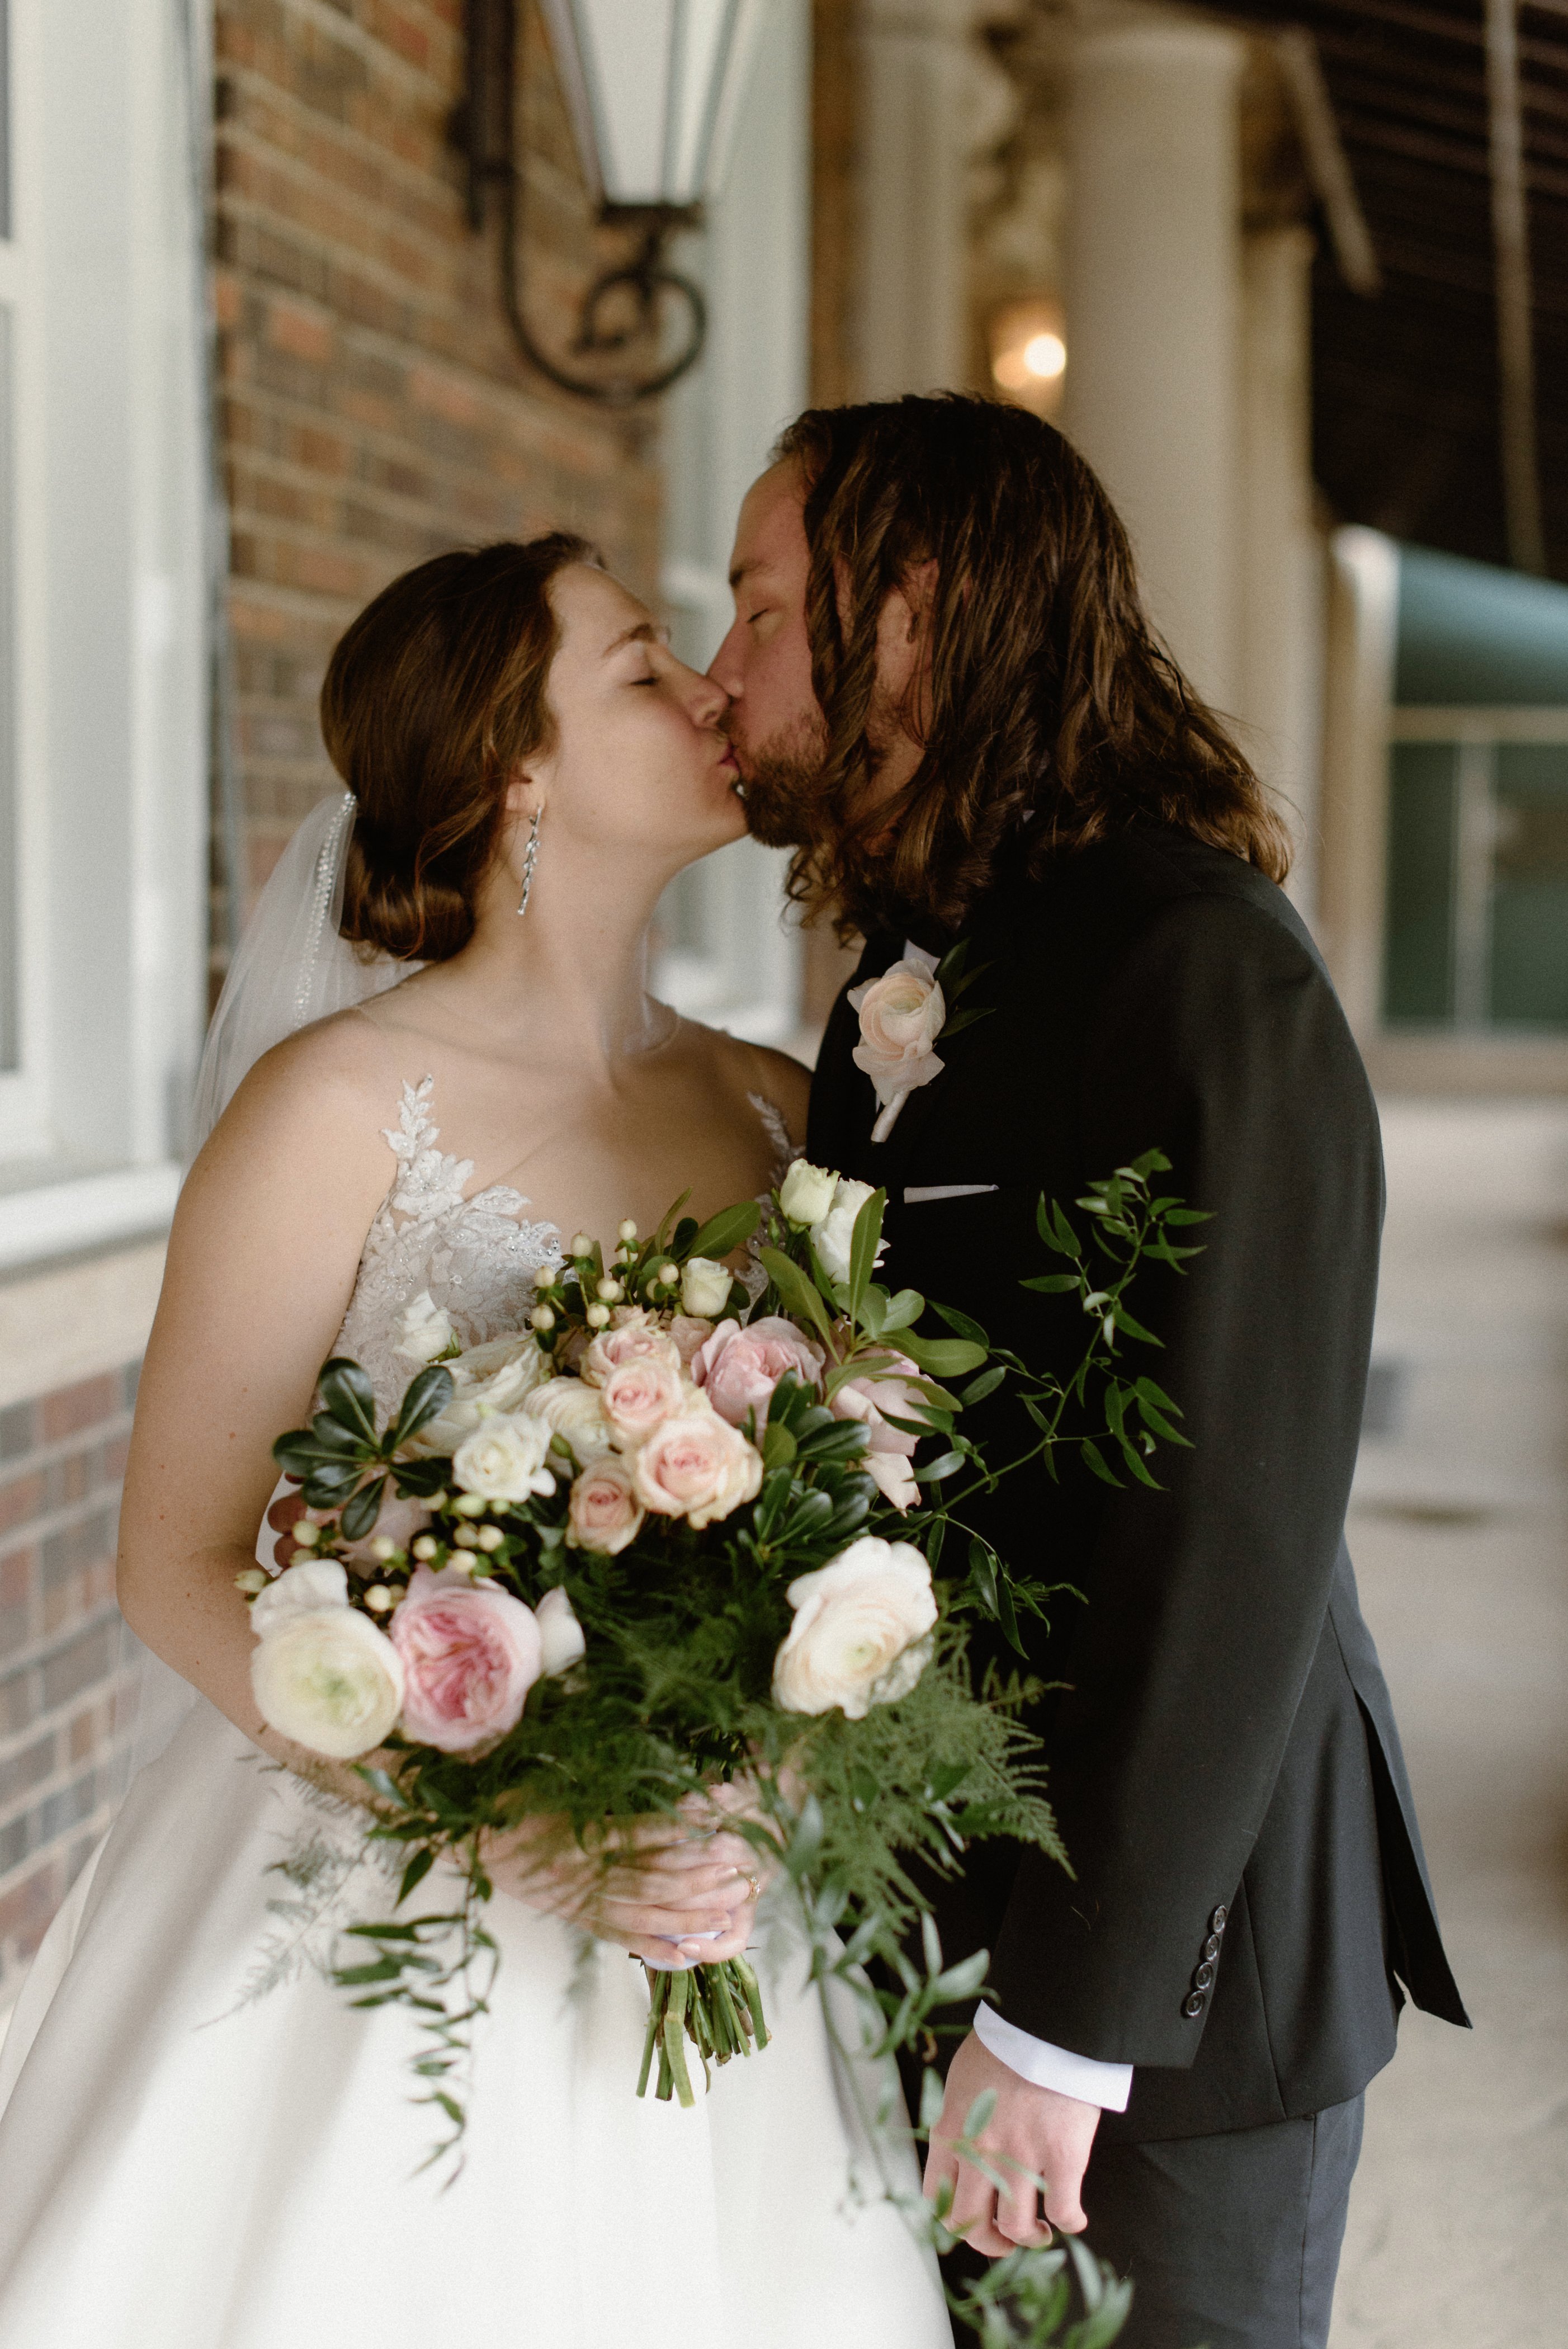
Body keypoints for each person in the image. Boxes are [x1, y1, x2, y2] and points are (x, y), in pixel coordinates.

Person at [0, 536, 951, 2349]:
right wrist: (514, 1828)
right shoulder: (336, 1111)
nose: (711, 691)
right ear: (519, 769)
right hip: (402, 1893)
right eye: (643, 666)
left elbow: (839, 1489)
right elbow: (173, 1562)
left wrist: (762, 1761)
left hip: (705, 1885)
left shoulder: (772, 1103)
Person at [708, 394, 1471, 2349]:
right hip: (931, 1898)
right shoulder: (919, 963)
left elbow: (1235, 1529)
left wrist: (1064, 2026)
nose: (725, 671)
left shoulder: (1196, 966)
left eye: (762, 608)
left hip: (1167, 1985)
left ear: (914, 609)